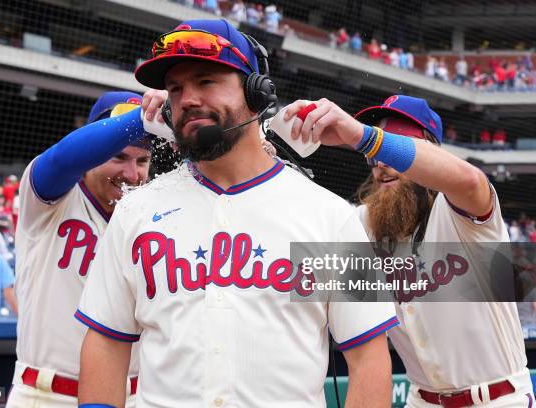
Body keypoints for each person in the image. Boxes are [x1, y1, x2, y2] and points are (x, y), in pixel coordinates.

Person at [77, 19, 397, 408]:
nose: (187, 98)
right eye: (175, 89)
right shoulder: (135, 211)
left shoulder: (331, 215)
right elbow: (106, 344)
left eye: (206, 81)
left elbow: (369, 359)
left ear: (256, 93)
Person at [282, 94, 534, 407]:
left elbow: (469, 181)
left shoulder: (462, 212)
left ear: (429, 150)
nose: (382, 162)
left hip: (497, 398)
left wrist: (362, 136)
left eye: (394, 145)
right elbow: (302, 230)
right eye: (373, 154)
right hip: (420, 400)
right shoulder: (364, 223)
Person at [6, 89, 167, 408]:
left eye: (142, 160)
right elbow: (62, 158)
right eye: (119, 157)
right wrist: (145, 118)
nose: (131, 174)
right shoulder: (50, 200)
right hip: (48, 394)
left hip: (135, 396)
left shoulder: (152, 217)